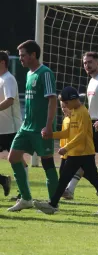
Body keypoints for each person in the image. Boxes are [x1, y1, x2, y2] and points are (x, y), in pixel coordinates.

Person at [34, 86, 98, 215]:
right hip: (76, 153)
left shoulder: (82, 112)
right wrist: (51, 135)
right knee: (70, 179)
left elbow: (81, 135)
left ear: (73, 99)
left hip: (84, 153)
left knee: (89, 179)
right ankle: (53, 205)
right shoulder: (74, 112)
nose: (64, 105)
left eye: (65, 103)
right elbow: (67, 133)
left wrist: (66, 147)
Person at [62, 52, 98, 200]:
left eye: (90, 62)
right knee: (89, 156)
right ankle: (70, 189)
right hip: (94, 122)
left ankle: (69, 189)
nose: (87, 65)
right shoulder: (92, 80)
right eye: (85, 63)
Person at [7, 40, 58, 212]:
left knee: (48, 164)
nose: (20, 59)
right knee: (13, 157)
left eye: (23, 55)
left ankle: (54, 203)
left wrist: (49, 125)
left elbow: (52, 100)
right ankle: (26, 198)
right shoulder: (29, 74)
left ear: (33, 55)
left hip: (41, 128)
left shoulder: (45, 73)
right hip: (26, 127)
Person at [0, 51, 21, 197]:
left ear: (2, 62)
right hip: (1, 128)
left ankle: (23, 192)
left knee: (18, 161)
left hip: (10, 128)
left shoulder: (8, 79)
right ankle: (3, 180)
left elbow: (9, 100)